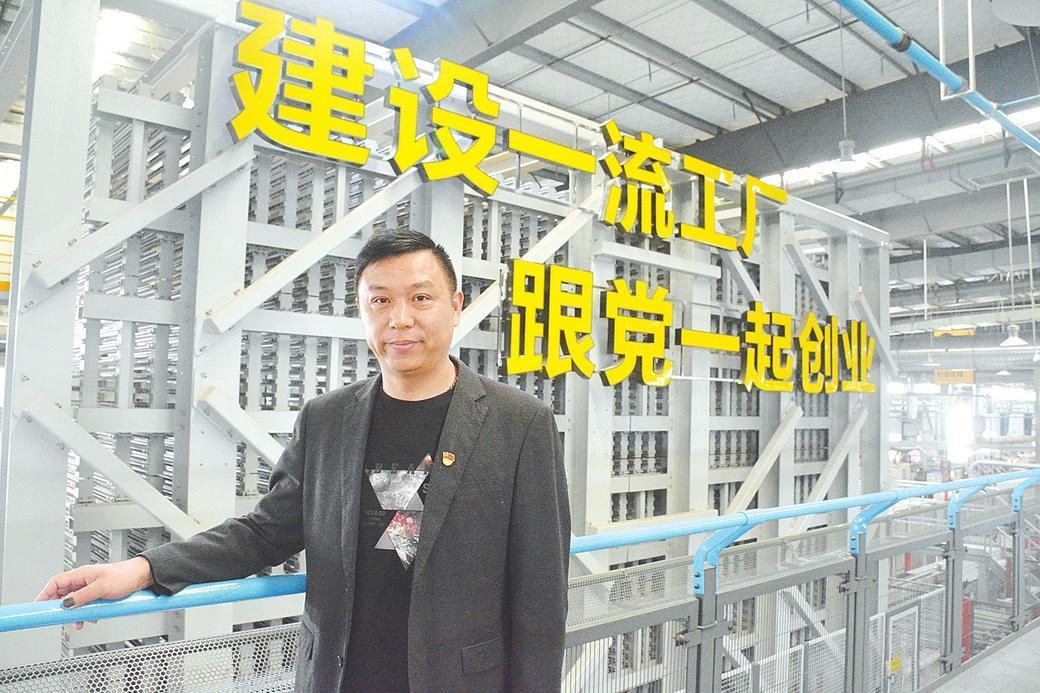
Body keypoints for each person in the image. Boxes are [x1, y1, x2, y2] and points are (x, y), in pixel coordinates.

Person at [36, 229, 571, 692]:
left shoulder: (518, 423)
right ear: (362, 312)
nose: (400, 319)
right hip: (339, 677)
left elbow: (541, 595)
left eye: (421, 298)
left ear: (455, 306)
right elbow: (265, 532)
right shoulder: (327, 419)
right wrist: (143, 569)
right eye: (380, 301)